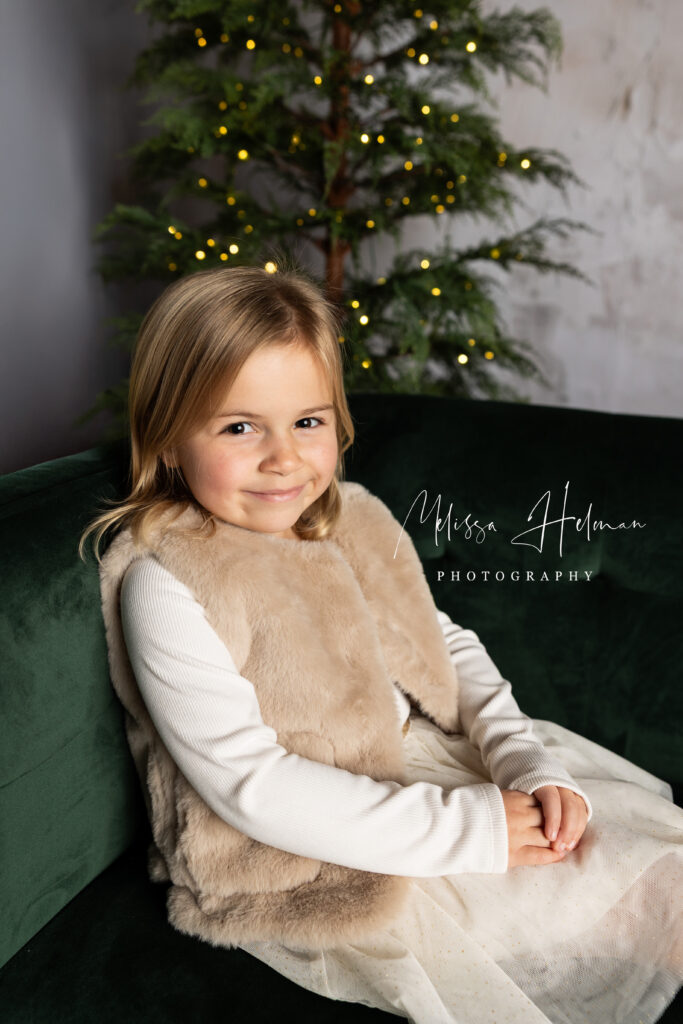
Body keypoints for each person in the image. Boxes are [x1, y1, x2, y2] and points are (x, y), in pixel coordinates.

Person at [81, 263, 682, 1024]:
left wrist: (520, 756)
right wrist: (472, 829)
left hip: (425, 772)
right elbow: (250, 785)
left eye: (308, 421)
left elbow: (443, 642)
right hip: (318, 849)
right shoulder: (167, 581)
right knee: (645, 902)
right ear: (169, 440)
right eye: (239, 427)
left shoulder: (347, 519)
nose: (284, 457)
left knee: (648, 862)